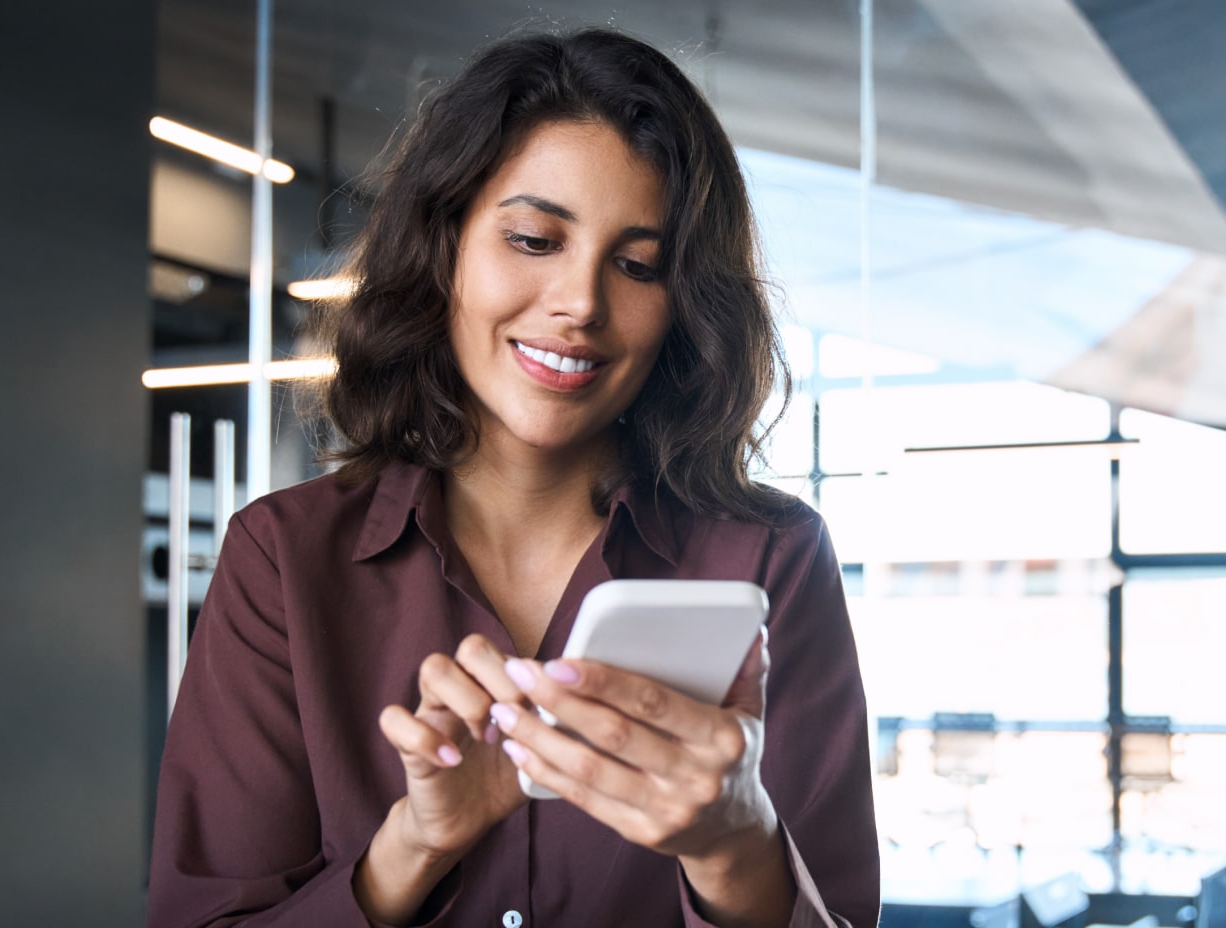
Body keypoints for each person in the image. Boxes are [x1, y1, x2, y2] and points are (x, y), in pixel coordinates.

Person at [146, 28, 879, 928]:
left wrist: (733, 846)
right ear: (445, 245)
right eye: (535, 239)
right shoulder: (284, 559)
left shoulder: (769, 557)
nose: (580, 304)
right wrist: (412, 846)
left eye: (638, 264)